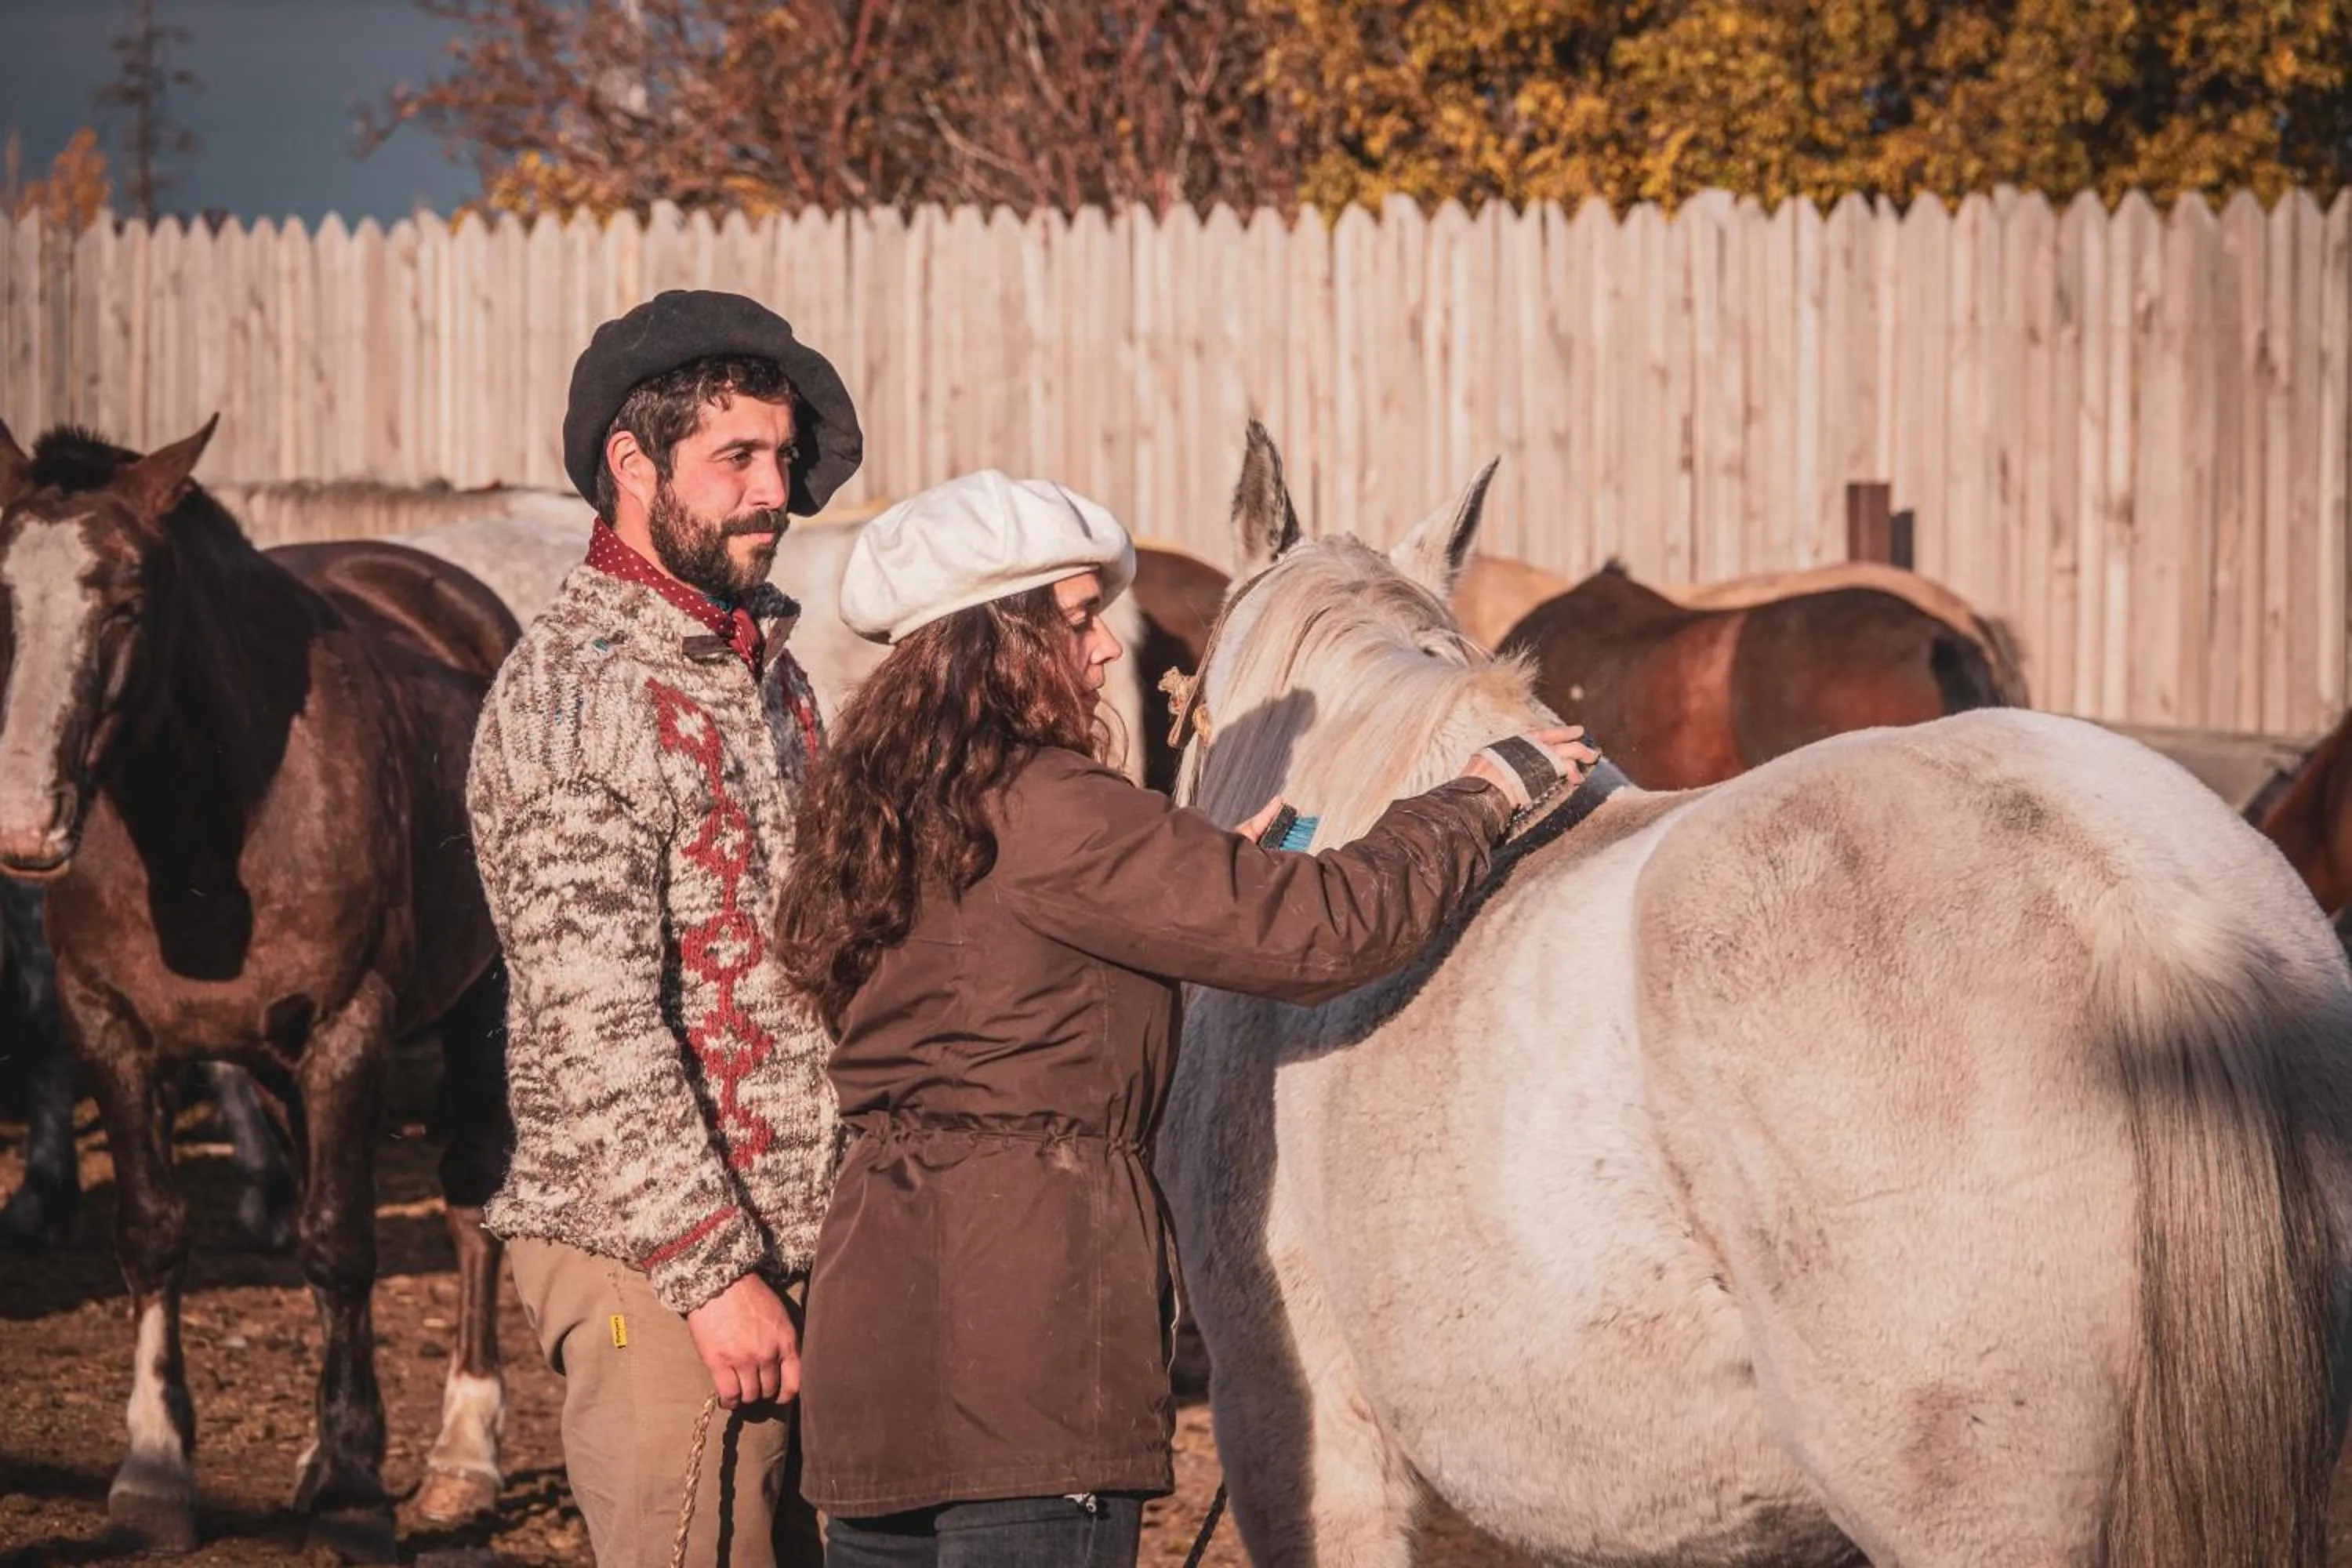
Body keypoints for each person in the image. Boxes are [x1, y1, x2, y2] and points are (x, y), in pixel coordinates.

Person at [775, 468, 1595, 1566]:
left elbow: (1011, 972)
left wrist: (1212, 877)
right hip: (1028, 1342)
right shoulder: (1057, 805)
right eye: (1075, 622)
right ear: (997, 640)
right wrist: (1480, 795)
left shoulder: (872, 807)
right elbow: (1327, 931)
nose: (1109, 650)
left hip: (873, 1338)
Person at [466, 289, 862, 1567]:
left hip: (791, 1241)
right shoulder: (583, 691)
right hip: (653, 1260)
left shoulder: (763, 671)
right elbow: (594, 1025)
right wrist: (710, 1271)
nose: (775, 493)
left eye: (785, 460)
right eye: (737, 458)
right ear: (632, 469)